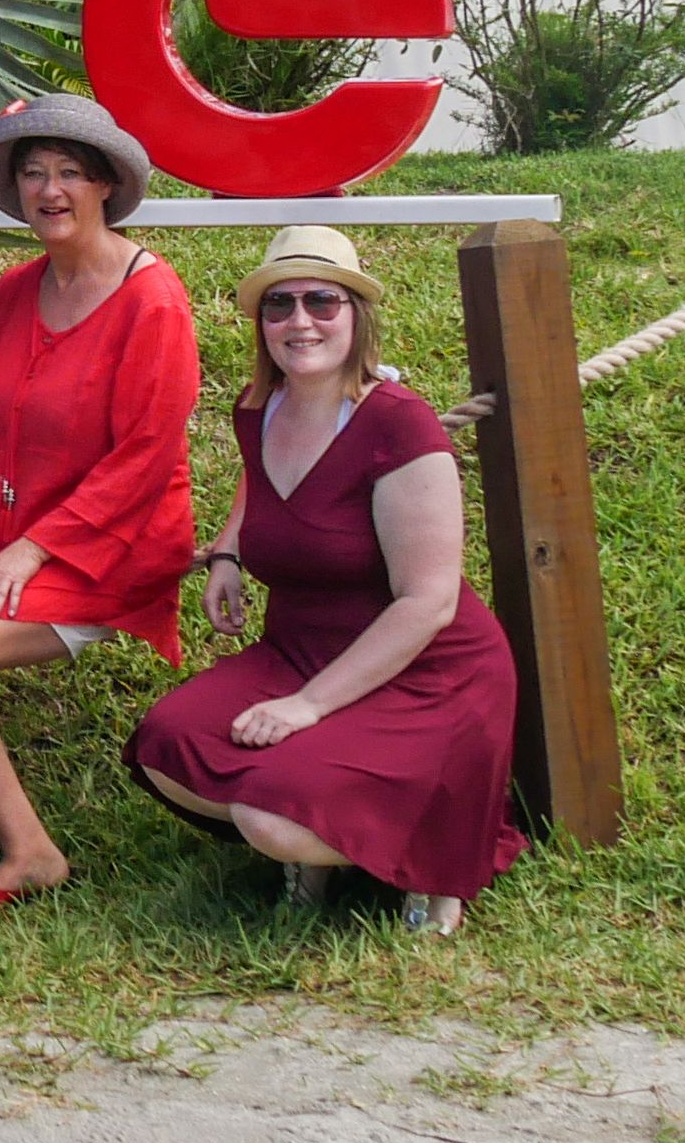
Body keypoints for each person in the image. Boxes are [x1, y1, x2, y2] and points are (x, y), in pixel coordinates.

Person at [127, 225, 525, 933]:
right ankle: (333, 829)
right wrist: (226, 552)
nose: (298, 321)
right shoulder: (258, 403)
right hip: (301, 645)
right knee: (167, 743)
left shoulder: (399, 427)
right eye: (277, 305)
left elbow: (427, 602)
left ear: (356, 315)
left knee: (268, 810)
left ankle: (422, 865)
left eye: (321, 300)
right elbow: (264, 488)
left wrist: (307, 706)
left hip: (424, 668)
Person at [0, 97, 200, 939]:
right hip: (2, 540)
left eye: (66, 173)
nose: (48, 190)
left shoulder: (151, 300)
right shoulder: (17, 290)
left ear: (103, 185)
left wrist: (37, 547)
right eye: (32, 173)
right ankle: (27, 849)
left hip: (106, 551)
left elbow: (147, 456)